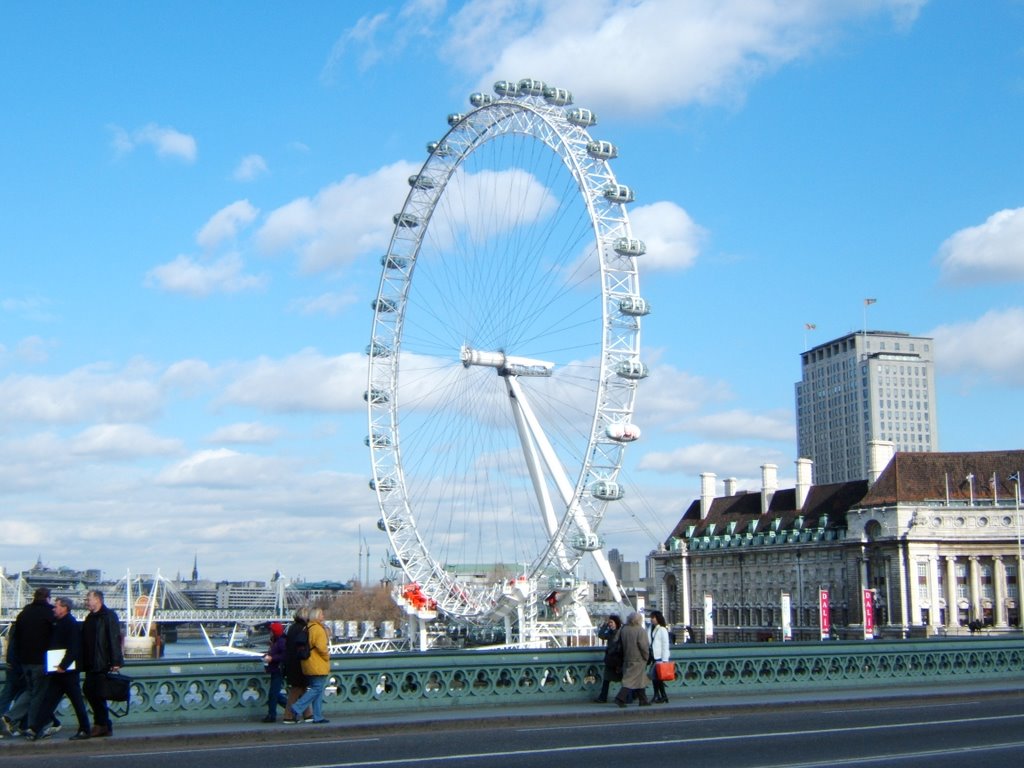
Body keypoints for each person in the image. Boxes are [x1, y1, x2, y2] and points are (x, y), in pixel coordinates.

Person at [30, 597, 91, 741]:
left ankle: (84, 729)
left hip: (66, 671)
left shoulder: (70, 624)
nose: (54, 609)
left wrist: (63, 665)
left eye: (56, 606)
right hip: (59, 669)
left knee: (74, 701)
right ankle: (35, 729)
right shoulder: (61, 623)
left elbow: (74, 648)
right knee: (49, 700)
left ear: (64, 608)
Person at [5, 587, 55, 737]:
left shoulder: (24, 613)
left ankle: (9, 717)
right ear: (48, 598)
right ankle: (33, 727)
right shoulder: (49, 613)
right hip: (42, 661)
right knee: (39, 695)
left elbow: (16, 638)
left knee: (30, 691)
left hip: (24, 661)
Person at [81, 590, 123, 738]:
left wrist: (116, 661)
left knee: (96, 693)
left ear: (97, 600)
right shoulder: (90, 617)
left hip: (102, 661)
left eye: (88, 599)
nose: (86, 602)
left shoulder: (108, 616)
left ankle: (101, 724)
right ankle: (104, 724)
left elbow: (114, 638)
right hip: (90, 661)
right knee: (90, 691)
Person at [287, 607, 330, 724]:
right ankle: (297, 707)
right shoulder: (318, 629)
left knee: (318, 690)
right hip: (317, 663)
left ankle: (318, 716)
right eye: (321, 614)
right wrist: (327, 657)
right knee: (316, 689)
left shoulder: (308, 627)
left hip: (307, 663)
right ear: (316, 616)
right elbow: (321, 647)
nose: (323, 616)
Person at [614, 611, 651, 708]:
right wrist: (647, 657)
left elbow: (617, 642)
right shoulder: (640, 631)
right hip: (638, 659)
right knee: (630, 680)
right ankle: (620, 698)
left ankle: (643, 699)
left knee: (640, 679)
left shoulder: (624, 629)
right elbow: (643, 646)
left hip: (626, 657)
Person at [282, 608, 311, 723]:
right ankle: (288, 715)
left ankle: (308, 714)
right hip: (299, 663)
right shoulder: (304, 628)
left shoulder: (292, 628)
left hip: (290, 662)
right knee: (296, 689)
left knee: (301, 688)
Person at [261, 622, 288, 722]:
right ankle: (290, 709)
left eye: (271, 630)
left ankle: (273, 714)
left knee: (274, 693)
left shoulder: (280, 641)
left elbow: (284, 655)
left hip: (278, 669)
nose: (270, 632)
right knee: (274, 693)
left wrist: (271, 658)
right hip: (275, 669)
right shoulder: (277, 640)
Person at [593, 614, 623, 703]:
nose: (610, 624)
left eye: (611, 622)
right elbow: (601, 635)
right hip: (610, 659)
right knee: (607, 679)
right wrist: (605, 625)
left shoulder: (620, 632)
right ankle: (603, 697)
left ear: (616, 623)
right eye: (609, 622)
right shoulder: (610, 632)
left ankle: (628, 696)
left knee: (624, 680)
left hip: (617, 659)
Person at [648, 609, 671, 704]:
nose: (651, 619)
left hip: (660, 658)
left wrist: (665, 660)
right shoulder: (650, 628)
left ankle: (658, 695)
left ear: (657, 618)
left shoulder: (662, 629)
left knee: (656, 678)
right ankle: (663, 696)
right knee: (657, 678)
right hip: (654, 657)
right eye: (651, 618)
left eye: (653, 617)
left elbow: (665, 645)